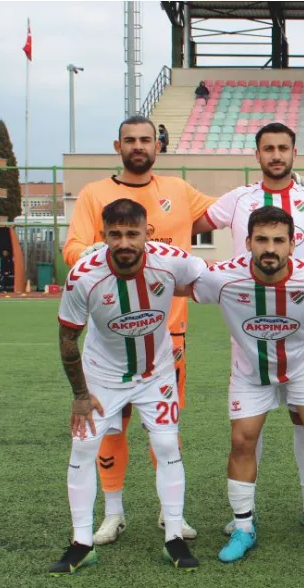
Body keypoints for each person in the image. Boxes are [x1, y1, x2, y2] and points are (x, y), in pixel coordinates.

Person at [63, 115, 216, 544]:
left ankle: (170, 515)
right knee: (111, 427)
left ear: (157, 145)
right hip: (112, 335)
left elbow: (226, 213)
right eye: (129, 139)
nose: (138, 146)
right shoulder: (94, 193)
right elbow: (73, 249)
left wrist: (276, 191)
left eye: (145, 139)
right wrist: (104, 252)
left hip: (167, 332)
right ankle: (113, 513)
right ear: (118, 146)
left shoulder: (179, 190)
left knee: (164, 429)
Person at [193, 122, 304, 536]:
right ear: (257, 154)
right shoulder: (238, 199)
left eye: (283, 148)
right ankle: (244, 515)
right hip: (249, 328)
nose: (276, 155)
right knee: (248, 427)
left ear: (294, 152)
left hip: (301, 324)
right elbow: (194, 224)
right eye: (268, 148)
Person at [191, 206, 304, 564]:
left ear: (292, 244)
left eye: (278, 240)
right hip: (250, 369)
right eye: (262, 240)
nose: (270, 248)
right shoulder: (220, 278)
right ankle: (244, 528)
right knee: (242, 441)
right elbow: (175, 286)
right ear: (248, 242)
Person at [49, 198, 205, 575]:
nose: (124, 243)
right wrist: (80, 395)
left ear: (146, 234)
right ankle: (81, 543)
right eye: (115, 234)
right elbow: (68, 338)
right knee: (83, 446)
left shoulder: (172, 260)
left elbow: (210, 278)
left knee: (166, 444)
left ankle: (173, 535)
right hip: (102, 375)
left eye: (132, 234)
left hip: (156, 373)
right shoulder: (83, 275)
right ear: (103, 235)